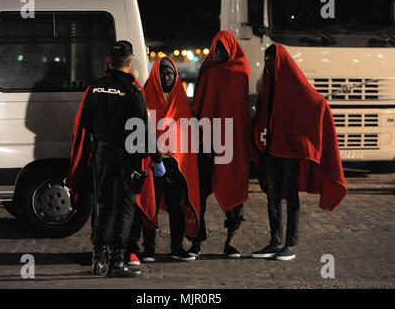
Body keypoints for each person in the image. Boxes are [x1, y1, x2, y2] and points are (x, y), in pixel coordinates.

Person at [67, 40, 165, 278]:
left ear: (109, 61)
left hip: (101, 154)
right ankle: (117, 263)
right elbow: (144, 128)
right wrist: (156, 158)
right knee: (123, 208)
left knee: (103, 207)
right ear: (130, 62)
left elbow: (84, 122)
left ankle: (98, 258)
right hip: (126, 156)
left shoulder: (96, 87)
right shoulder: (133, 90)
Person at [250, 44, 347, 260]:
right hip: (271, 148)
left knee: (290, 196)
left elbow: (317, 102)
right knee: (272, 195)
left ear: (280, 62)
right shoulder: (268, 83)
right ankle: (275, 241)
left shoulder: (293, 81)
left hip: (290, 151)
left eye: (271, 60)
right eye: (265, 60)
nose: (267, 64)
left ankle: (289, 243)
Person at [127, 56, 201, 262]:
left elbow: (185, 133)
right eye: (162, 73)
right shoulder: (146, 95)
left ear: (175, 75)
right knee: (149, 202)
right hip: (153, 160)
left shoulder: (180, 99)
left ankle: (176, 247)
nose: (166, 77)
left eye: (170, 73)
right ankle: (148, 247)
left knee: (176, 204)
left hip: (175, 163)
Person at [190, 31, 251, 258]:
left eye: (221, 49)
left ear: (230, 49)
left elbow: (240, 111)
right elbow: (198, 102)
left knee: (235, 194)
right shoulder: (209, 70)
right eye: (215, 48)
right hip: (209, 139)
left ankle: (230, 242)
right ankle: (197, 240)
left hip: (233, 142)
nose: (217, 53)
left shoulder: (241, 71)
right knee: (200, 192)